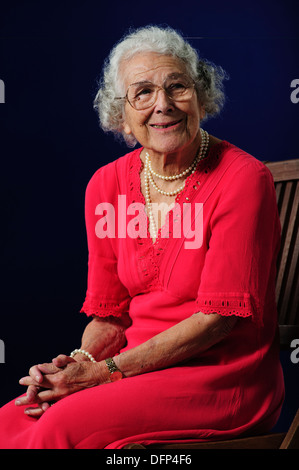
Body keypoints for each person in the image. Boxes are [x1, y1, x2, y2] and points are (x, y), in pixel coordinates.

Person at [0, 25, 284, 449]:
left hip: (221, 376)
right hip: (132, 368)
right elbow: (109, 316)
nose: (163, 105)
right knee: (11, 420)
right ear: (121, 113)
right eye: (143, 92)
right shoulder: (105, 185)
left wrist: (100, 374)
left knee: (61, 428)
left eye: (177, 87)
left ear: (201, 95)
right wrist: (79, 363)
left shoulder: (243, 179)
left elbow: (218, 320)